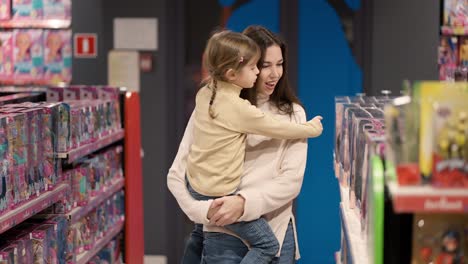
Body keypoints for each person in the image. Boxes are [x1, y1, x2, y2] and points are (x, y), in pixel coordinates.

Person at [168, 26, 313, 263]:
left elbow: (291, 182)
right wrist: (204, 212)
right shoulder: (213, 105)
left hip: (276, 234)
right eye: (265, 65)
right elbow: (177, 173)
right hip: (221, 236)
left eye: (280, 63)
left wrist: (243, 203)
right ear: (238, 67)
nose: (274, 73)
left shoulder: (293, 114)